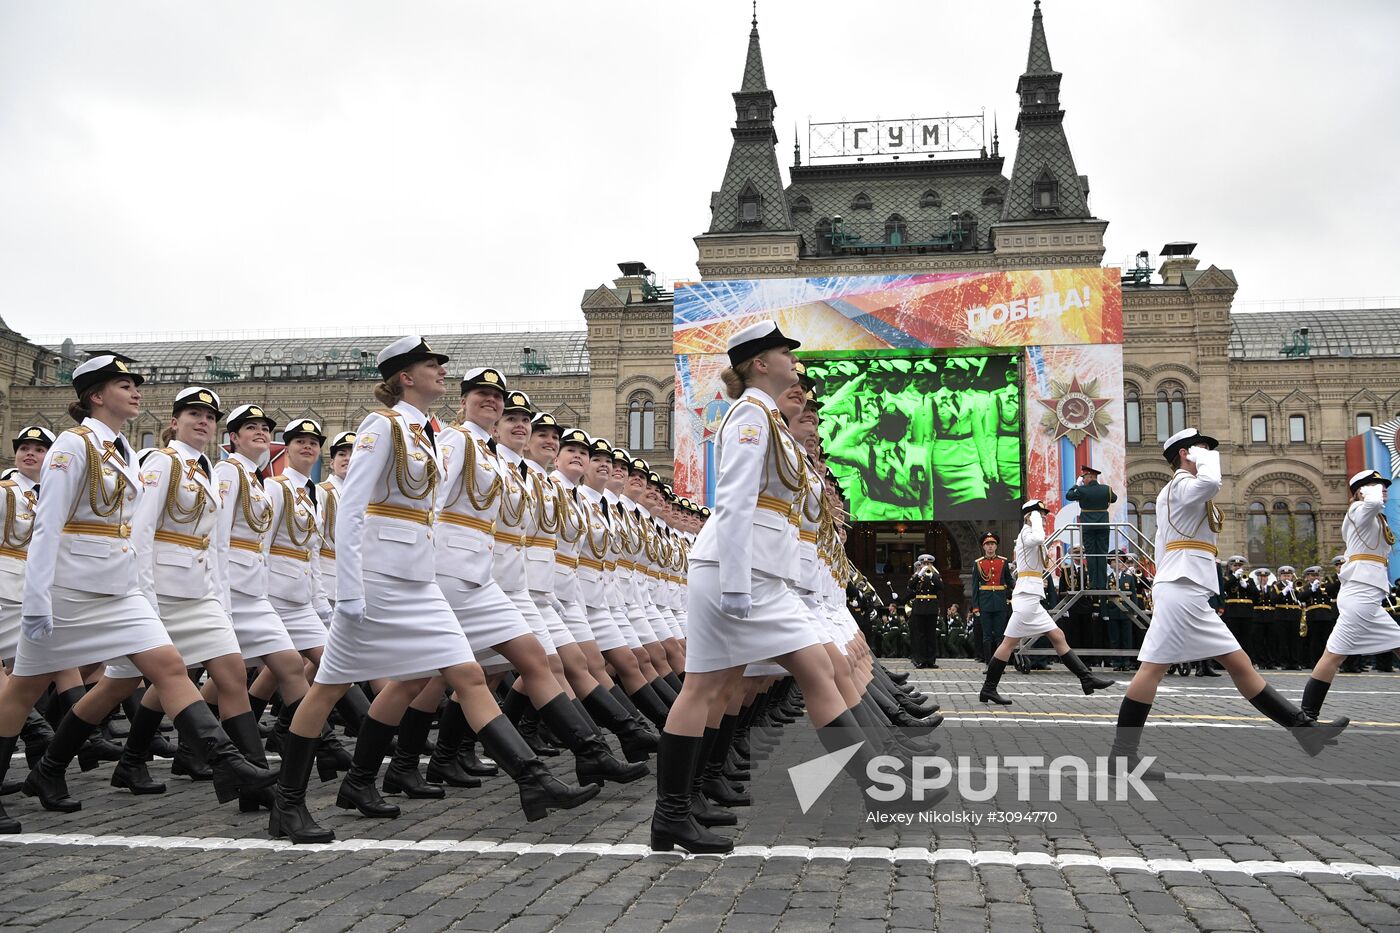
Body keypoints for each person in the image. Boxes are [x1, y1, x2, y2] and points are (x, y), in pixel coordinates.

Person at [268, 337, 597, 844]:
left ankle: (533, 780)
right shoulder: (383, 426)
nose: (440, 372)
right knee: (328, 687)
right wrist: (350, 590)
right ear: (405, 376)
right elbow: (353, 508)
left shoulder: (425, 433)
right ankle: (287, 804)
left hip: (419, 580)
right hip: (379, 579)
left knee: (466, 673)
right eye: (430, 366)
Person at [650, 321, 922, 855]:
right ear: (758, 363)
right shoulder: (750, 416)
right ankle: (879, 791)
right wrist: (733, 582)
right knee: (724, 686)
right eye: (783, 353)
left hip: (756, 572)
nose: (792, 362)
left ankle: (674, 817)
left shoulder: (768, 418)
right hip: (740, 572)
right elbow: (732, 500)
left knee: (716, 688)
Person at [0, 356, 274, 832]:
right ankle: (42, 774)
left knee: (168, 666)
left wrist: (140, 590)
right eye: (124, 385)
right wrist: (37, 599)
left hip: (120, 588)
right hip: (72, 588)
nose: (135, 392)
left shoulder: (122, 449)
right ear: (96, 395)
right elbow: (47, 524)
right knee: (23, 688)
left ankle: (226, 760)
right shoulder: (74, 444)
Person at [1107, 429, 1348, 781]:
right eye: (1203, 449)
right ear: (1186, 453)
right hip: (1181, 588)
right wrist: (1204, 462)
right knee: (1157, 669)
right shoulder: (1181, 486)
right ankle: (1122, 755)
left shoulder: (1186, 489)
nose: (1209, 454)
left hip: (1185, 587)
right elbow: (1211, 483)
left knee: (1235, 664)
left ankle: (1304, 731)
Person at [98, 387, 265, 803]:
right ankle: (76, 762)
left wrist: (220, 600)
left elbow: (215, 544)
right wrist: (146, 599)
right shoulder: (161, 462)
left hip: (199, 593)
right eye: (194, 414)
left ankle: (254, 779)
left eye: (209, 416)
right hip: (163, 593)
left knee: (232, 675)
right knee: (125, 683)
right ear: (174, 422)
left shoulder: (205, 469)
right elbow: (141, 532)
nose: (203, 421)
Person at [979, 500, 1117, 705]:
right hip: (1026, 596)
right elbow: (1039, 537)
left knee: (1057, 635)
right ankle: (988, 689)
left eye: (1043, 514)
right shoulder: (1028, 533)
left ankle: (1086, 679)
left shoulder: (1030, 533)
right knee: (1009, 643)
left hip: (1032, 596)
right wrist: (1034, 519)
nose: (1044, 517)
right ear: (1030, 516)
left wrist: (1036, 518)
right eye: (1040, 513)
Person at [1300, 470, 1400, 720]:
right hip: (1360, 595)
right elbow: (1374, 501)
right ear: (1360, 491)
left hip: (1368, 595)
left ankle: (1306, 717)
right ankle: (1306, 717)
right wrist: (1370, 494)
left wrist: (1372, 493)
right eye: (1376, 484)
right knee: (1333, 656)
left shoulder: (1374, 516)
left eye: (1384, 485)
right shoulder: (1359, 510)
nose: (1383, 489)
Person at [0, 427, 61, 795]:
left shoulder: (48, 496)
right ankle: (41, 735)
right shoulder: (7, 492)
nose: (30, 454)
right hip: (4, 589)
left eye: (39, 449)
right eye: (24, 448)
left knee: (30, 674)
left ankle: (42, 749)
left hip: (28, 594)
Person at [1065, 465, 1117, 591]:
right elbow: (1114, 499)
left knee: (1091, 554)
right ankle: (1102, 583)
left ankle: (1094, 583)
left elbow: (1069, 495)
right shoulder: (1106, 489)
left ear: (1089, 477)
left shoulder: (1082, 490)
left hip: (1087, 527)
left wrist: (1076, 486)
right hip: (1103, 526)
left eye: (1084, 478)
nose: (1083, 480)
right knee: (1102, 554)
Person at [970, 532, 1010, 661]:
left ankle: (998, 663)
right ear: (984, 547)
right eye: (987, 544)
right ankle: (988, 662)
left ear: (996, 546)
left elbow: (1009, 581)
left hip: (1000, 602)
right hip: (985, 603)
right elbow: (975, 587)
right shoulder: (978, 563)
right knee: (986, 635)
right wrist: (975, 607)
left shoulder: (1003, 561)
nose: (990, 547)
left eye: (992, 544)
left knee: (1000, 635)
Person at [906, 554, 941, 668]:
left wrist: (932, 575)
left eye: (928, 563)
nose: (926, 566)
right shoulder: (917, 576)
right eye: (924, 564)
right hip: (919, 608)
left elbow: (941, 586)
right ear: (920, 564)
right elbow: (910, 586)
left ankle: (931, 660)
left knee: (931, 635)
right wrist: (918, 574)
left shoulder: (935, 575)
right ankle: (921, 660)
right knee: (921, 635)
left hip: (931, 607)